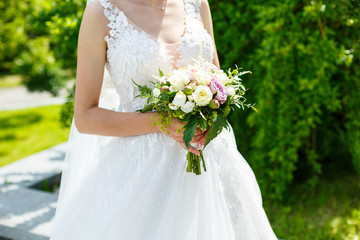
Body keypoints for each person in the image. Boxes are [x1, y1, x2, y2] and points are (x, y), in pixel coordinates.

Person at [49, 0, 278, 239]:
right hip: (141, 170)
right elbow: (85, 117)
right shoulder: (101, 11)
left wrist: (211, 118)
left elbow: (217, 81)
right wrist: (162, 122)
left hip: (211, 159)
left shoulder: (197, 4)